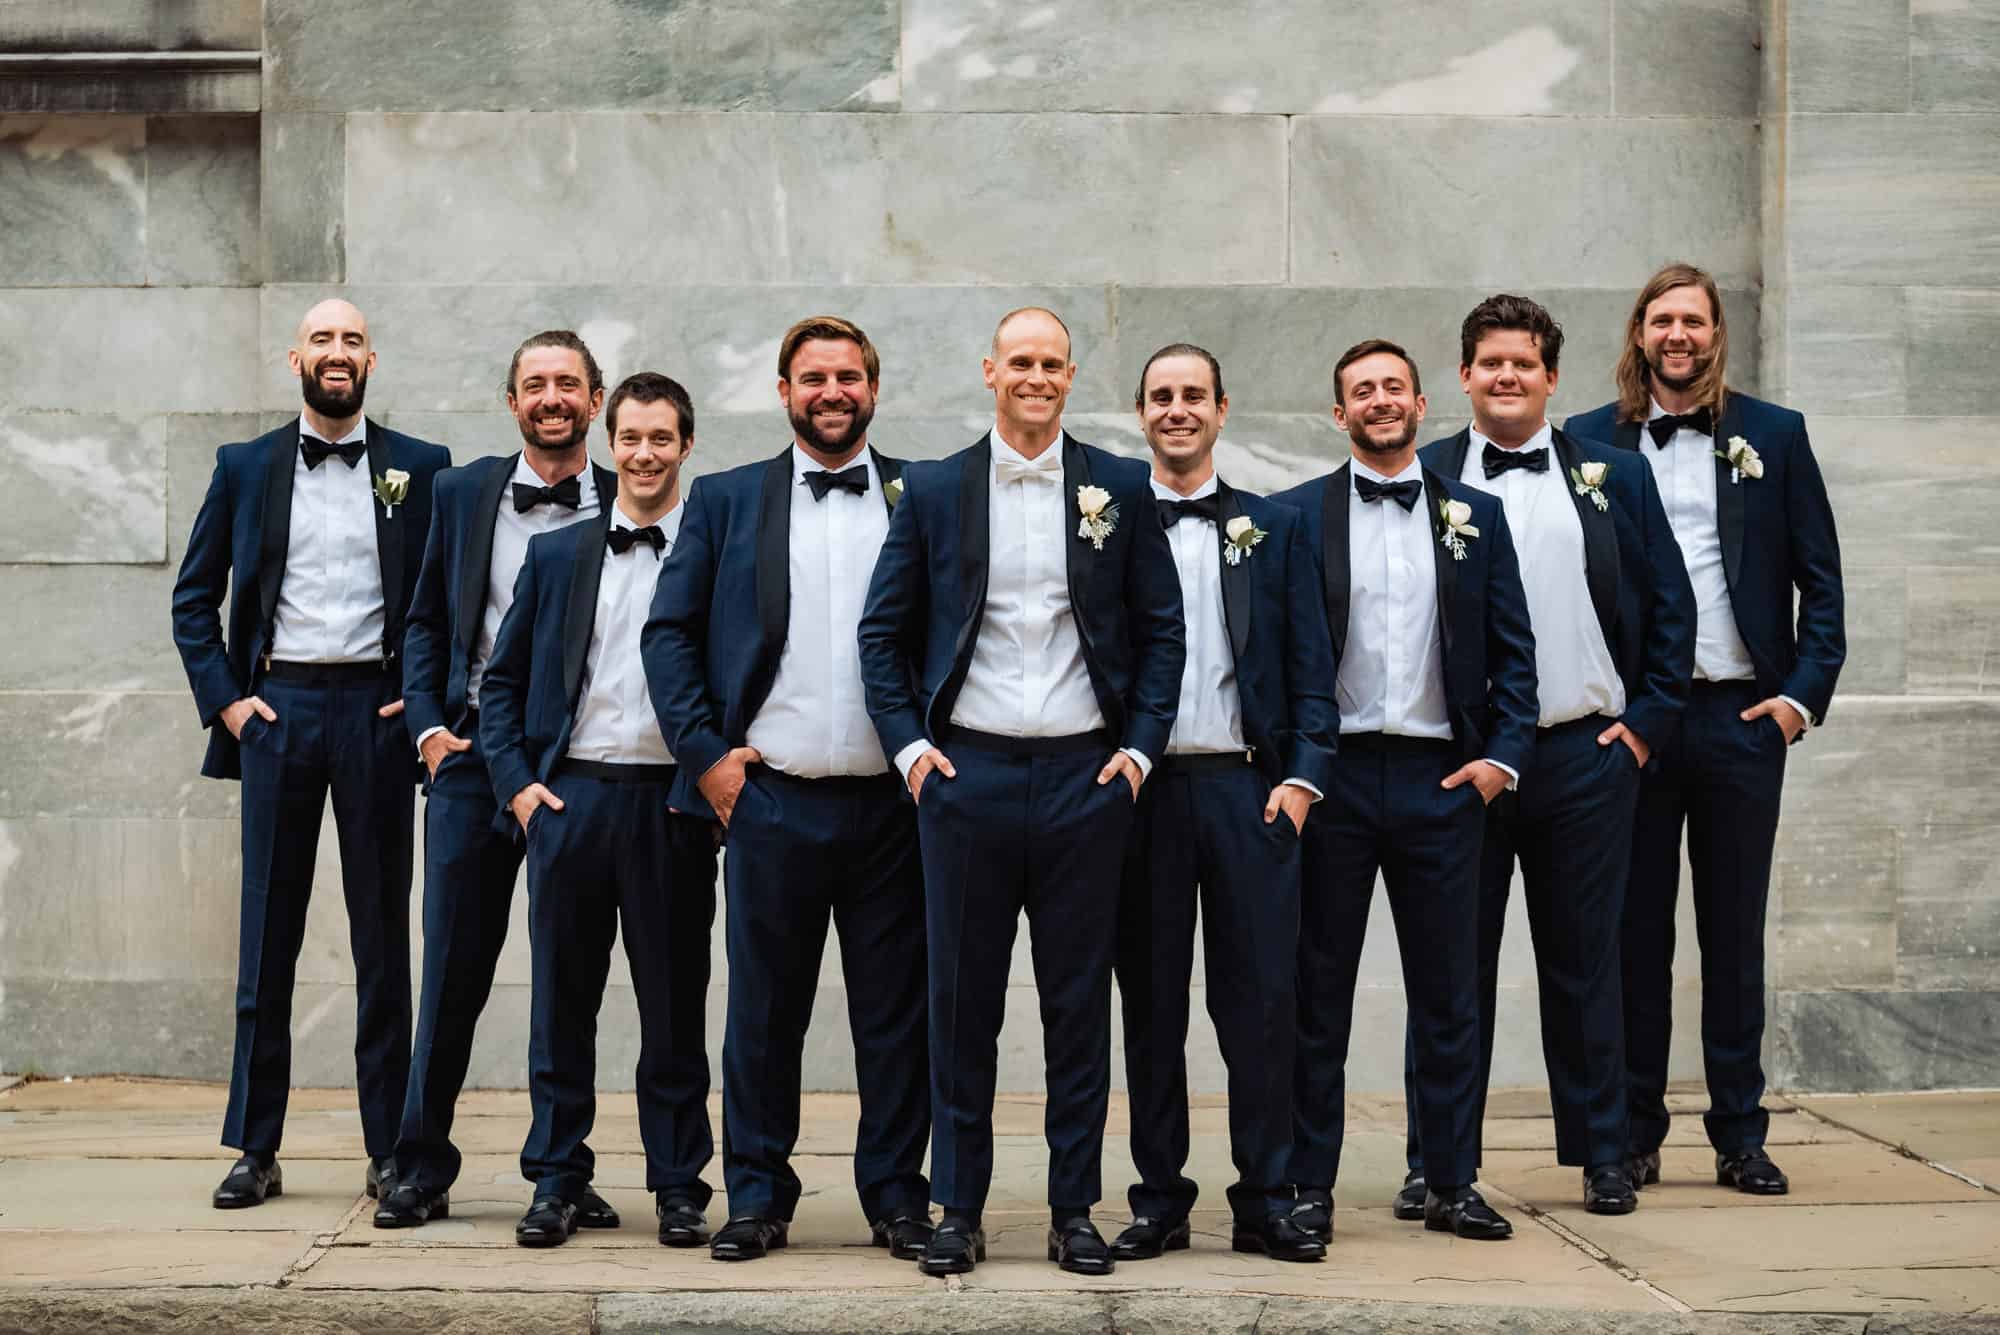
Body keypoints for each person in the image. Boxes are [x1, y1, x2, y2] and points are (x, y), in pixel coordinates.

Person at [857, 307, 1185, 1276]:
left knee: (1076, 1005)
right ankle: (956, 1205)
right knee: (960, 1004)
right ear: (989, 371)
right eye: (1020, 363)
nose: (1035, 377)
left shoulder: (1119, 487)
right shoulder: (933, 487)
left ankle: (1071, 1206)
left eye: (1051, 363)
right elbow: (883, 635)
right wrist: (912, 752)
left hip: (1087, 778)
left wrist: (1137, 754)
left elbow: (1161, 631)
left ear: (1070, 375)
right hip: (968, 779)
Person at [643, 316, 931, 1263]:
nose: (832, 391)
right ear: (783, 391)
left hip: (895, 806)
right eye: (814, 377)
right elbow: (669, 635)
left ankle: (896, 1194)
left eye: (849, 376)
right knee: (764, 1012)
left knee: (897, 1013)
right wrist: (709, 759)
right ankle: (758, 1194)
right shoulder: (726, 500)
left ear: (874, 391)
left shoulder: (920, 494)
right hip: (772, 798)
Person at [1403, 295, 1694, 1218]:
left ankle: (1604, 1153)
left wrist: (1642, 726)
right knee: (1452, 973)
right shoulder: (1426, 471)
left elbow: (1670, 610)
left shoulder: (1614, 476)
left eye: (1523, 364)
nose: (1506, 377)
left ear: (1551, 377)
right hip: (1465, 767)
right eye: (1490, 363)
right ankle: (1434, 1161)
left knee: (1585, 964)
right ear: (1463, 376)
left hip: (1583, 757)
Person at [1567, 263, 1845, 1196]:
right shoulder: (1585, 443)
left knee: (1734, 935)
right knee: (1635, 935)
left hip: (1738, 719)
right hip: (1636, 726)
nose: (1677, 335)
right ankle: (1637, 1129)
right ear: (1639, 334)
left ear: (1716, 333)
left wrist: (1797, 701)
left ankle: (1739, 1132)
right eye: (1661, 320)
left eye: (1693, 320)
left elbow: (1823, 584)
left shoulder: (1775, 435)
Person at [171, 298, 448, 1209]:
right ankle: (255, 1146)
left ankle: (391, 1149)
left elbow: (442, 597)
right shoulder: (245, 466)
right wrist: (231, 706)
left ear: (374, 356)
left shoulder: (422, 467)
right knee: (268, 937)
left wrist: (424, 695)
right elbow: (193, 599)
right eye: (322, 339)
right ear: (297, 358)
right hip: (277, 712)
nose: (337, 353)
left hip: (376, 713)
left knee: (382, 943)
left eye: (351, 340)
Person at [1273, 338, 1537, 1243]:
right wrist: (1294, 768)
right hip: (1334, 779)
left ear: (1423, 404)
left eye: (1394, 387)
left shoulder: (1478, 515)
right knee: (1320, 994)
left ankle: (1452, 1181)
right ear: (1339, 414)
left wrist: (1500, 759)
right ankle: (1308, 1185)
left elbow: (1515, 655)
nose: (1380, 401)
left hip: (1441, 780)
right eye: (1362, 392)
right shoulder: (1296, 517)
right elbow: (1273, 657)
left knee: (1451, 992)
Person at [375, 331, 622, 1233]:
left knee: (569, 977)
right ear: (509, 400)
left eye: (567, 384)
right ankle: (419, 1164)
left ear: (595, 401)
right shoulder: (463, 490)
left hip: (579, 771)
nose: (551, 397)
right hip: (477, 763)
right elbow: (428, 620)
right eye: (534, 384)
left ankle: (561, 1168)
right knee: (452, 973)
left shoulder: (631, 497)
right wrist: (433, 731)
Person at [479, 373, 719, 1246]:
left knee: (673, 1003)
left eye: (663, 438)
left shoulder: (715, 547)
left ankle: (679, 1182)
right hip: (572, 796)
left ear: (686, 446)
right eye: (632, 438)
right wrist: (519, 786)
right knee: (561, 1001)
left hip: (674, 805)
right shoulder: (558, 553)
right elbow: (500, 686)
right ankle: (556, 1178)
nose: (646, 453)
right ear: (608, 443)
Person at [1109, 344, 1337, 1265]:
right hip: (1144, 797)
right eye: (1161, 396)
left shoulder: (1274, 528)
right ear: (1140, 413)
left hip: (1251, 791)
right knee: (1152, 1004)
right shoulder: (1106, 526)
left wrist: (1302, 778)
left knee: (1260, 1004)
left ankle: (1266, 1196)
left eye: (1192, 395)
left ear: (1222, 408)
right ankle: (1159, 1195)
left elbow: (1312, 668)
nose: (1177, 409)